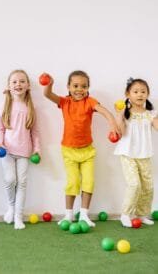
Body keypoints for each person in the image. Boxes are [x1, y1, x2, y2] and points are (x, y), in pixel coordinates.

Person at [42, 70, 119, 227]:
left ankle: (84, 214)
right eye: (75, 85)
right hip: (69, 151)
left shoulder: (90, 102)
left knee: (89, 181)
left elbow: (106, 112)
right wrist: (49, 85)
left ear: (88, 88)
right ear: (69, 87)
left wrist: (112, 125)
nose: (79, 89)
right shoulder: (64, 102)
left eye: (83, 86)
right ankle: (68, 215)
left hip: (87, 151)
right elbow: (48, 95)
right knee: (73, 182)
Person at [0, 69, 41, 230]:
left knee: (22, 182)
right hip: (7, 150)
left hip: (25, 152)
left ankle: (18, 216)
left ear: (28, 86)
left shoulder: (30, 108)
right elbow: (0, 129)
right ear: (9, 86)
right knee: (10, 180)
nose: (18, 84)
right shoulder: (6, 106)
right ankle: (11, 207)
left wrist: (37, 149)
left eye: (22, 81)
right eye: (14, 82)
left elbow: (35, 132)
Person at [114, 78, 158, 227]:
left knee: (148, 187)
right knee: (134, 185)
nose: (140, 94)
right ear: (128, 94)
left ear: (147, 94)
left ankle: (141, 214)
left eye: (143, 91)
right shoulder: (125, 113)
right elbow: (121, 132)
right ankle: (125, 214)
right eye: (136, 91)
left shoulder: (150, 114)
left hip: (144, 154)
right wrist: (119, 116)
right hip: (128, 154)